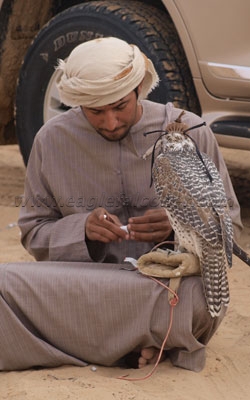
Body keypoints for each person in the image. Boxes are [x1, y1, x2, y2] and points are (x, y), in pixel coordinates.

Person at [0, 37, 242, 372]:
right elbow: (34, 232)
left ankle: (94, 347)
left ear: (140, 88)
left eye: (120, 106)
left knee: (202, 300)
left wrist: (179, 226)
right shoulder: (51, 141)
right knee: (3, 285)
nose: (111, 123)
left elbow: (228, 223)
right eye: (95, 111)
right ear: (77, 103)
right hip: (90, 286)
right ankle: (143, 346)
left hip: (162, 288)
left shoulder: (191, 132)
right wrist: (82, 230)